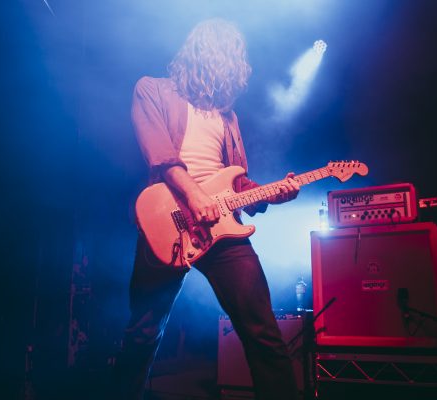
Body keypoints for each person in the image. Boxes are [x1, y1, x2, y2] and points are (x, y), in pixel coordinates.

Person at [114, 18, 300, 400]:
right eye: (230, 58)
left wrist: (272, 192)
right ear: (205, 54)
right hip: (169, 219)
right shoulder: (152, 90)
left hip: (221, 228)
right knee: (143, 332)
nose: (235, 69)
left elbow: (239, 183)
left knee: (262, 330)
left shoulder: (227, 117)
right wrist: (194, 196)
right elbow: (161, 156)